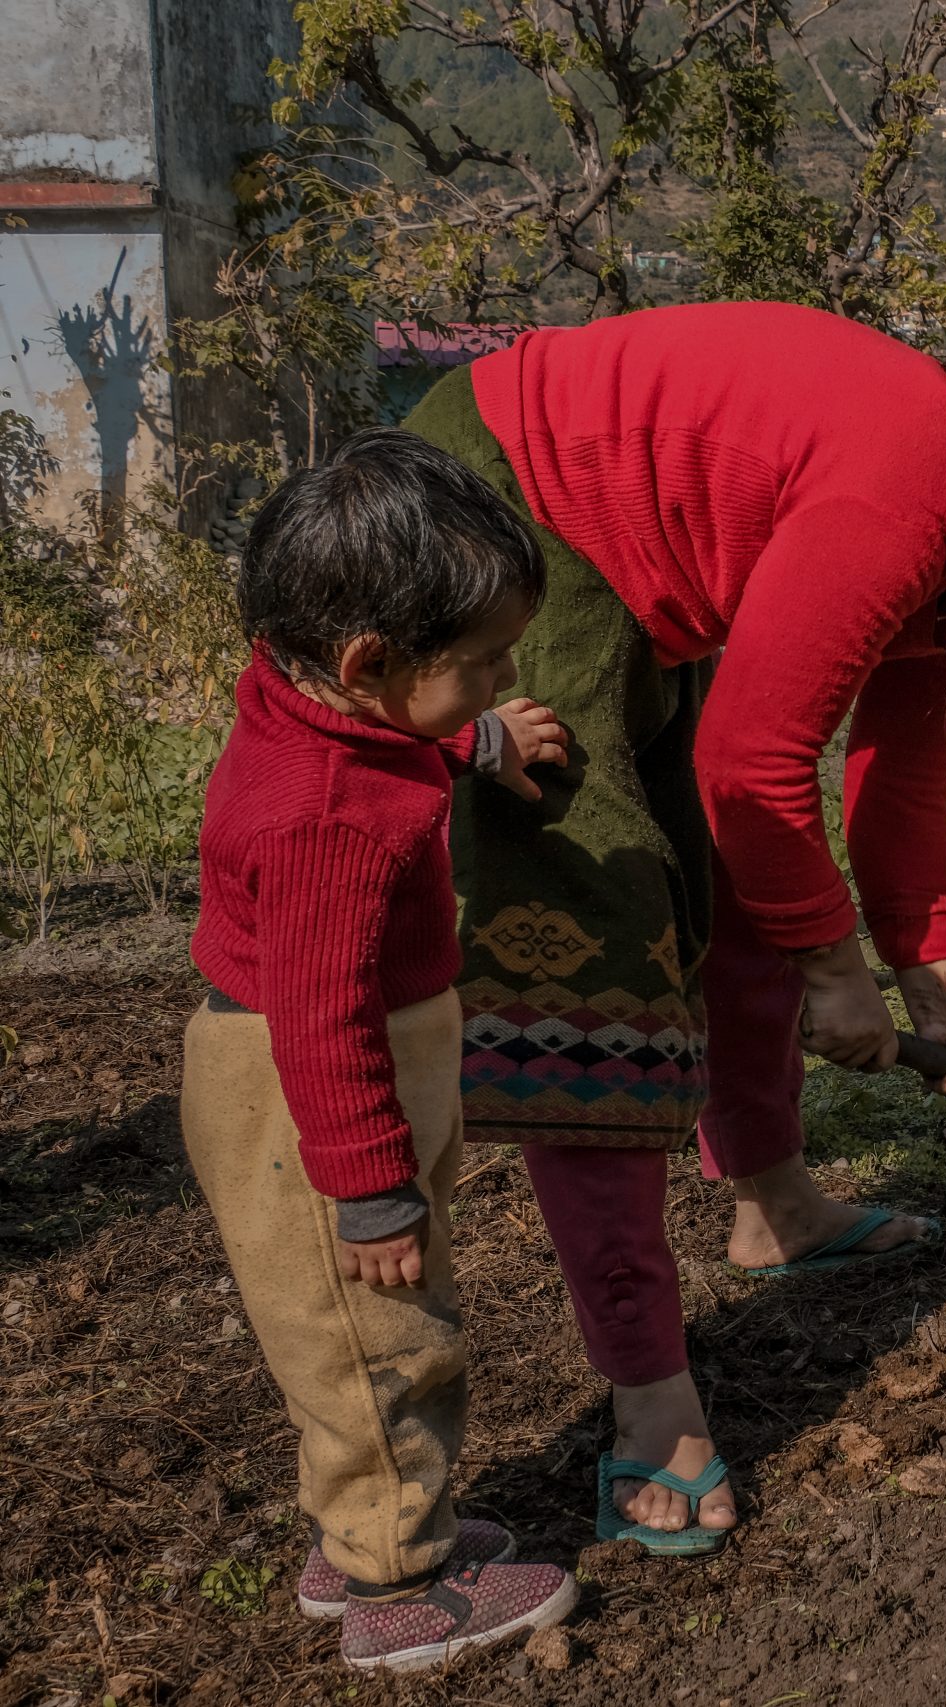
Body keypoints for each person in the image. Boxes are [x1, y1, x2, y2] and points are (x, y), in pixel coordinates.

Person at [400, 301, 946, 1555]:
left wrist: (936, 993)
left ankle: (773, 1202)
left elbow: (897, 780)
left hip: (641, 555)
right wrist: (838, 974)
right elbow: (756, 762)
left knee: (742, 890)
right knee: (597, 948)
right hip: (512, 501)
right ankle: (651, 1402)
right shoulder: (910, 501)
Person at [182, 431, 578, 1671]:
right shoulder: (320, 823)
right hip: (312, 1098)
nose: (508, 673)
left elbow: (382, 737)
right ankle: (393, 1583)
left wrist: (474, 738)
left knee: (359, 1331)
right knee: (374, 1340)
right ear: (368, 661)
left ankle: (366, 1526)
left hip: (354, 1068)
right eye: (485, 661)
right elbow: (318, 1016)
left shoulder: (316, 705)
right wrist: (367, 1188)